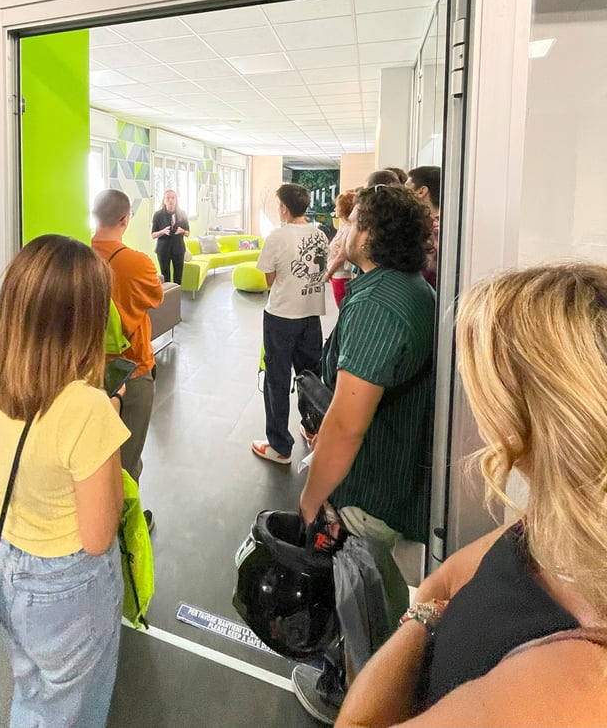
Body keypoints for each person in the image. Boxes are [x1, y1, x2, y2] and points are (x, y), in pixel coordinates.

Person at [335, 262, 607, 727]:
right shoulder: (553, 526)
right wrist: (429, 611)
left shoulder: (569, 687)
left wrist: (422, 623)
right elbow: (441, 582)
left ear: (532, 415)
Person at [0, 235, 127, 728]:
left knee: (33, 692)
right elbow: (98, 536)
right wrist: (109, 419)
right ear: (85, 320)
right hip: (70, 583)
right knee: (71, 708)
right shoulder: (87, 410)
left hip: (8, 564)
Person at [292, 183, 435, 724]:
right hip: (393, 474)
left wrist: (313, 496)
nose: (342, 229)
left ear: (369, 234)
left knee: (362, 608)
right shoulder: (406, 286)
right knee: (382, 600)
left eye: (351, 223)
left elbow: (349, 424)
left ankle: (361, 703)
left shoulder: (378, 305)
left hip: (368, 487)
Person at [92, 189, 164, 531]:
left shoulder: (78, 258)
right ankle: (123, 530)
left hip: (87, 371)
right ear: (125, 220)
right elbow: (156, 296)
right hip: (131, 370)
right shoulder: (137, 262)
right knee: (128, 458)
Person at [251, 182, 328, 464]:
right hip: (311, 315)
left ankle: (280, 446)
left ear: (283, 207)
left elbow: (268, 280)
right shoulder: (320, 235)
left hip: (281, 317)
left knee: (277, 379)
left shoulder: (277, 236)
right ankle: (312, 429)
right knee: (311, 378)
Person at [406, 165, 441, 288]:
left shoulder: (431, 232)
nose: (402, 194)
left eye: (406, 188)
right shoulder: (447, 228)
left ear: (421, 191)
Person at [324, 189, 358, 308]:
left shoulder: (349, 229)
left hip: (341, 275)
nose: (335, 209)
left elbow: (341, 256)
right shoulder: (344, 227)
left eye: (337, 206)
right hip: (337, 274)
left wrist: (328, 273)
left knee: (343, 308)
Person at [151, 189, 190, 285]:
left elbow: (188, 233)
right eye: (167, 198)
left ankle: (177, 294)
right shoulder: (158, 215)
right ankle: (168, 294)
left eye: (173, 198)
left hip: (178, 249)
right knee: (165, 276)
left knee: (178, 276)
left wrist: (182, 231)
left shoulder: (182, 213)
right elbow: (153, 235)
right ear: (164, 200)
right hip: (163, 250)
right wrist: (162, 232)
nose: (170, 200)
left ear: (176, 200)